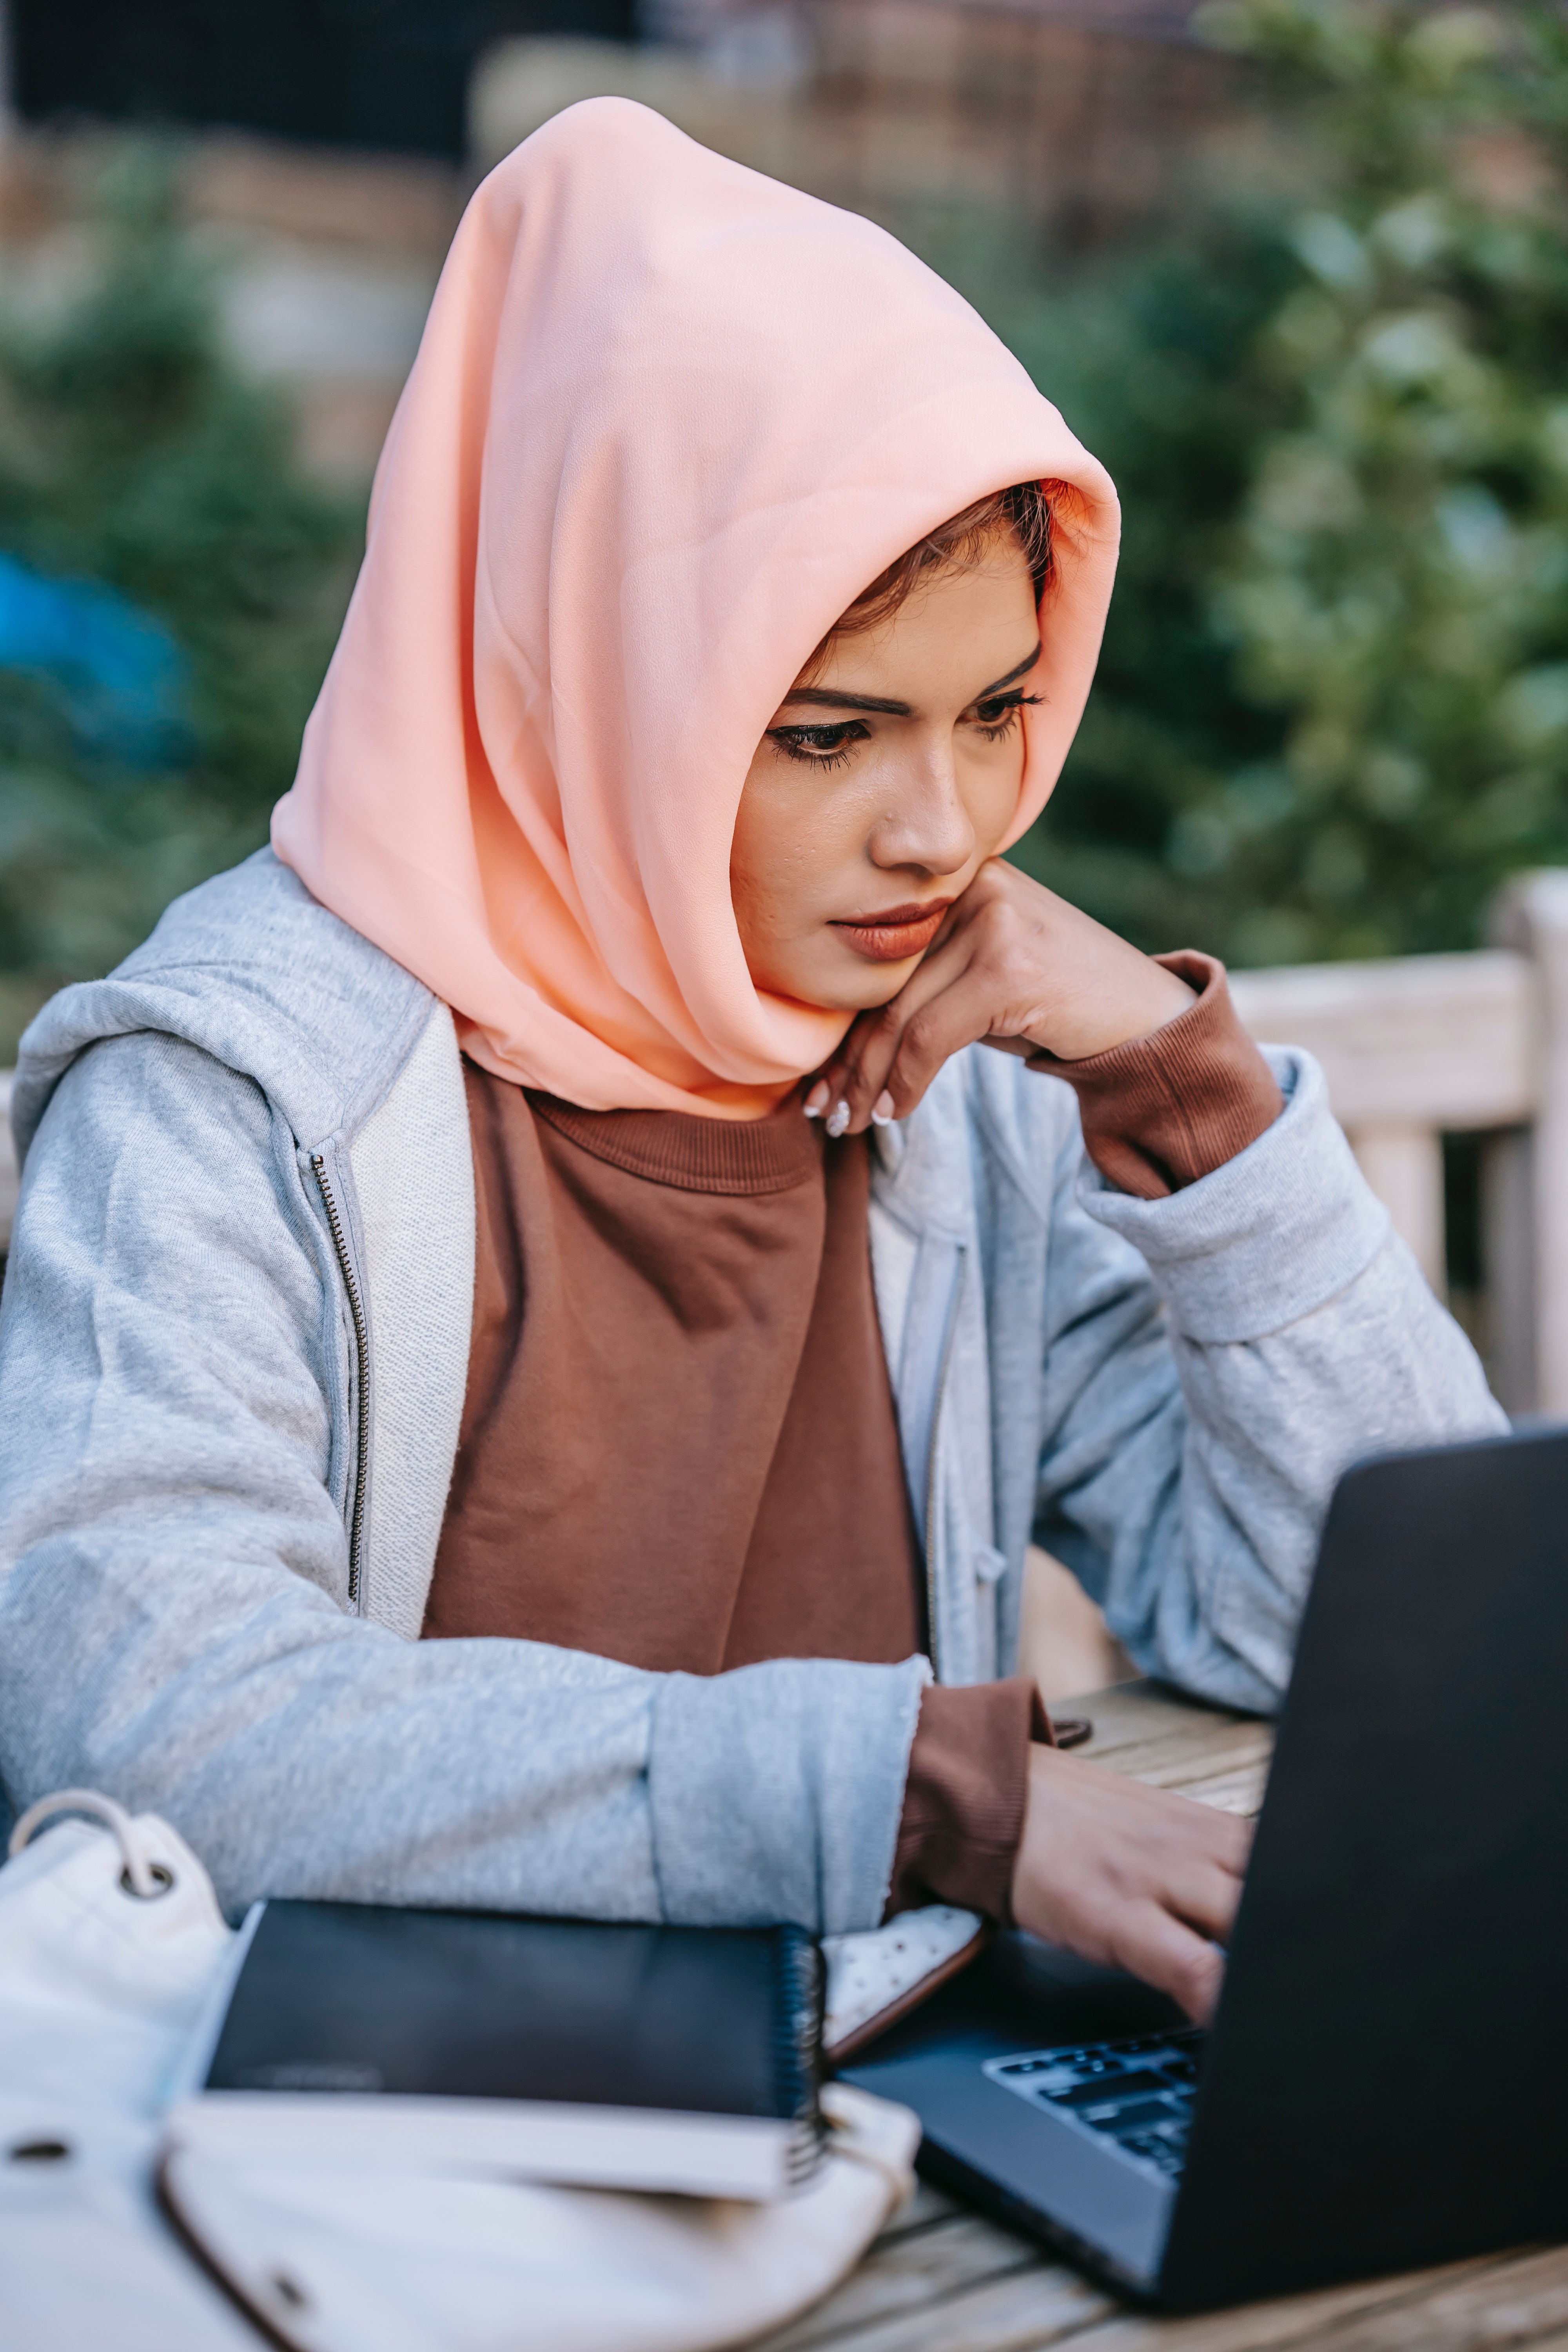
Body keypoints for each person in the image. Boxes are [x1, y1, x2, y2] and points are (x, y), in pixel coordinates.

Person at [0, 100, 1503, 2027]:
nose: (943, 830)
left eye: (995, 714)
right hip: (388, 2162)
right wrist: (918, 1798)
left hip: (889, 2093)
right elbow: (154, 1719)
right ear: (589, 676)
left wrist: (1192, 1107)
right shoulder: (235, 1098)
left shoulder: (950, 1081)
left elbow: (1369, 1644)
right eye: (825, 734)